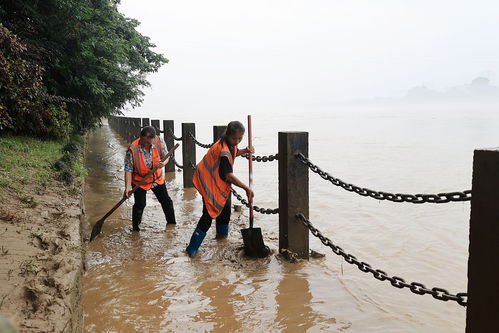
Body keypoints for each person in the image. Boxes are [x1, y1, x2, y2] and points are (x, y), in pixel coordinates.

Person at [186, 120, 254, 256]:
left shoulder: (228, 144)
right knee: (208, 215)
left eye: (240, 138)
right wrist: (246, 188)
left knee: (225, 212)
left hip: (218, 183)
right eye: (234, 138)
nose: (237, 141)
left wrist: (244, 151)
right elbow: (228, 175)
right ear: (228, 135)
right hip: (209, 183)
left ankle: (221, 240)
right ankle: (192, 249)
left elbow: (233, 152)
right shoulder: (222, 150)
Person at [123, 126, 176, 231]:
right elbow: (128, 169)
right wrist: (127, 187)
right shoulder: (132, 149)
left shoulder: (159, 141)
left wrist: (162, 164)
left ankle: (172, 225)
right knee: (140, 204)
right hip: (139, 180)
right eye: (143, 142)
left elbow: (166, 156)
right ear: (140, 138)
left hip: (156, 178)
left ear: (153, 139)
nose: (145, 145)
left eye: (148, 143)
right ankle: (135, 229)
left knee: (166, 201)